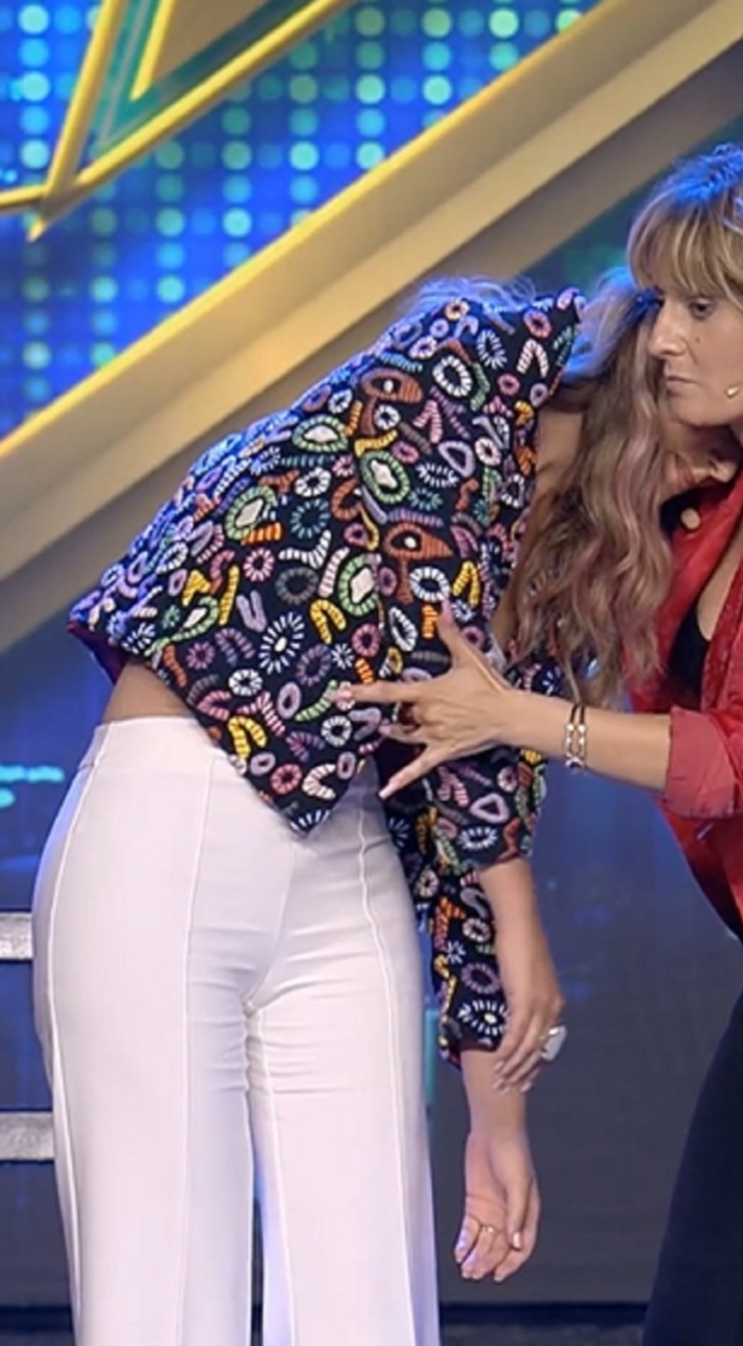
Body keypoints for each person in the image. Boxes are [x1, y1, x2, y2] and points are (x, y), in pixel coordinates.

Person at [31, 280, 590, 1346]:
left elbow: (471, 786)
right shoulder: (472, 355)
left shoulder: (575, 550)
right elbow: (434, 612)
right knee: (161, 1303)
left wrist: (498, 1114)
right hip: (172, 816)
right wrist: (518, 901)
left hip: (348, 856)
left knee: (372, 1307)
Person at [343, 143, 743, 1346]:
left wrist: (525, 721)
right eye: (659, 302)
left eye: (703, 307)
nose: (664, 338)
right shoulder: (685, 497)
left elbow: (730, 761)